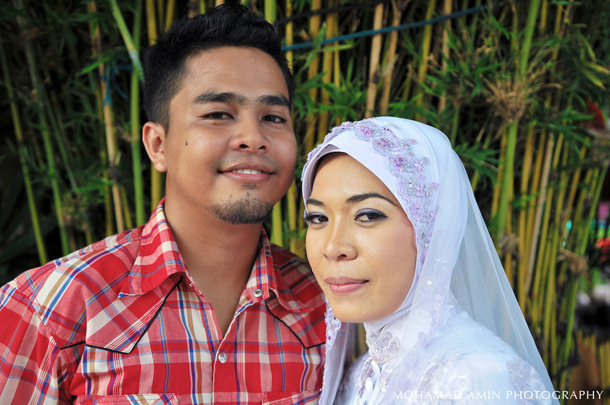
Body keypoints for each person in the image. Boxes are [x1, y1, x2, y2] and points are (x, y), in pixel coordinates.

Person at [0, 4, 325, 404]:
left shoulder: (326, 309)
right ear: (158, 145)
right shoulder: (52, 308)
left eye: (274, 118)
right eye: (219, 114)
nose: (253, 138)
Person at [301, 117, 558, 404]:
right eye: (318, 218)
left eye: (368, 215)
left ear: (434, 231)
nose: (333, 247)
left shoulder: (479, 379)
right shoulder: (360, 375)